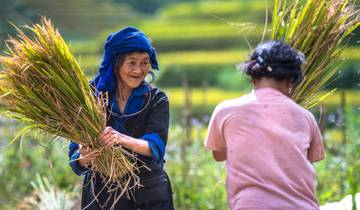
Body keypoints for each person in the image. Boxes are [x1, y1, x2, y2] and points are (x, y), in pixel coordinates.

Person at [204, 41, 325, 210]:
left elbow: (218, 154)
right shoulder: (306, 117)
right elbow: (310, 159)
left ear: (252, 77)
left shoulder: (226, 111)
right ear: (291, 81)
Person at [68, 26, 174, 210]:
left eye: (144, 62)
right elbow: (75, 157)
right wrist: (85, 156)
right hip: (100, 197)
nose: (139, 70)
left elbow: (155, 147)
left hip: (148, 194)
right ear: (116, 63)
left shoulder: (156, 99)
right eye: (131, 63)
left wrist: (119, 138)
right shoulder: (89, 98)